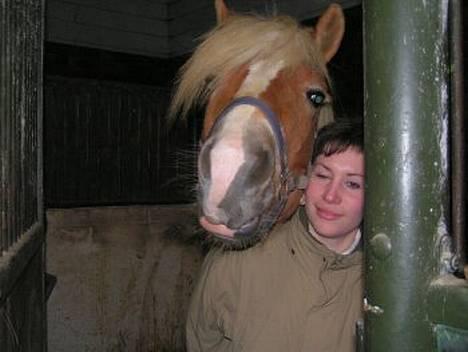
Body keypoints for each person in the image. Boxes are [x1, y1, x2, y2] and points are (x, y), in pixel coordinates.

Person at [186, 119, 364, 352]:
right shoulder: (237, 260)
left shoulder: (389, 285)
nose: (331, 196)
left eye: (352, 184)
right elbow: (202, 339)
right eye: (322, 175)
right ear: (303, 183)